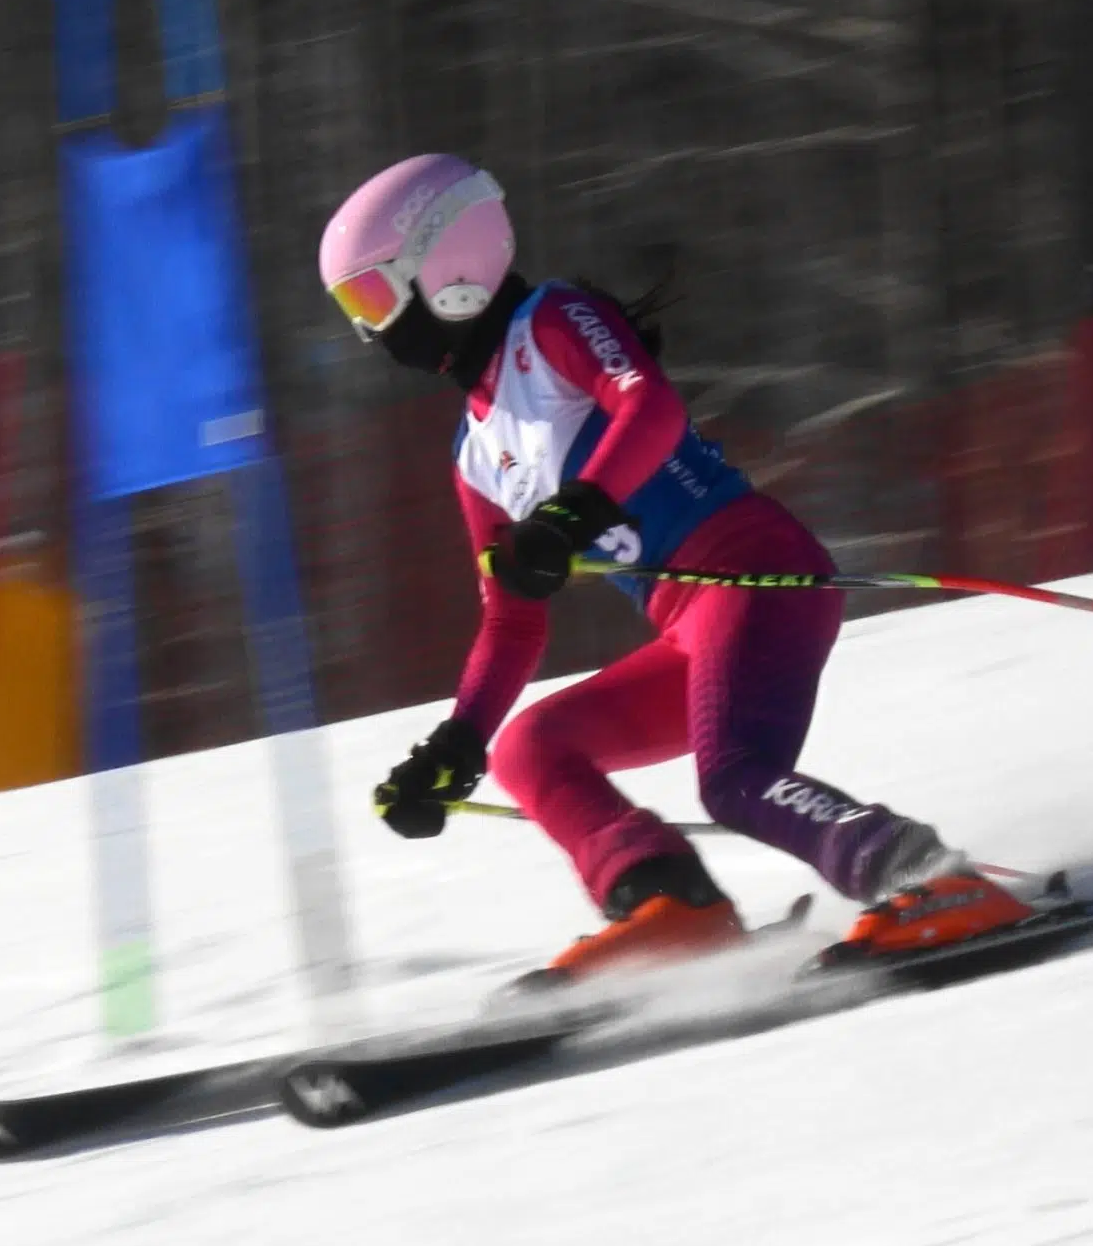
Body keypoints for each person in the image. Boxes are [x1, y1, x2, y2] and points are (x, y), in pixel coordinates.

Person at [318, 153, 1033, 981]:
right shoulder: (474, 452)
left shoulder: (556, 321)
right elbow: (513, 616)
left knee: (735, 781)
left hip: (752, 573)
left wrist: (576, 510)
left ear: (445, 265)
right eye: (352, 310)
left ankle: (931, 879)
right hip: (684, 621)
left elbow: (648, 406)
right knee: (529, 748)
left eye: (371, 296)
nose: (370, 331)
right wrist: (456, 741)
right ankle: (670, 903)